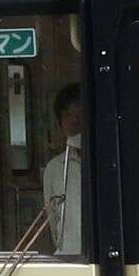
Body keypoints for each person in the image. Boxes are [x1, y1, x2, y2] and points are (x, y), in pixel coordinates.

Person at [41, 83, 85, 254]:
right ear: (60, 123)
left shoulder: (114, 163)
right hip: (68, 258)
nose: (74, 121)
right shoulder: (54, 168)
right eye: (67, 115)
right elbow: (53, 221)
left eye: (79, 114)